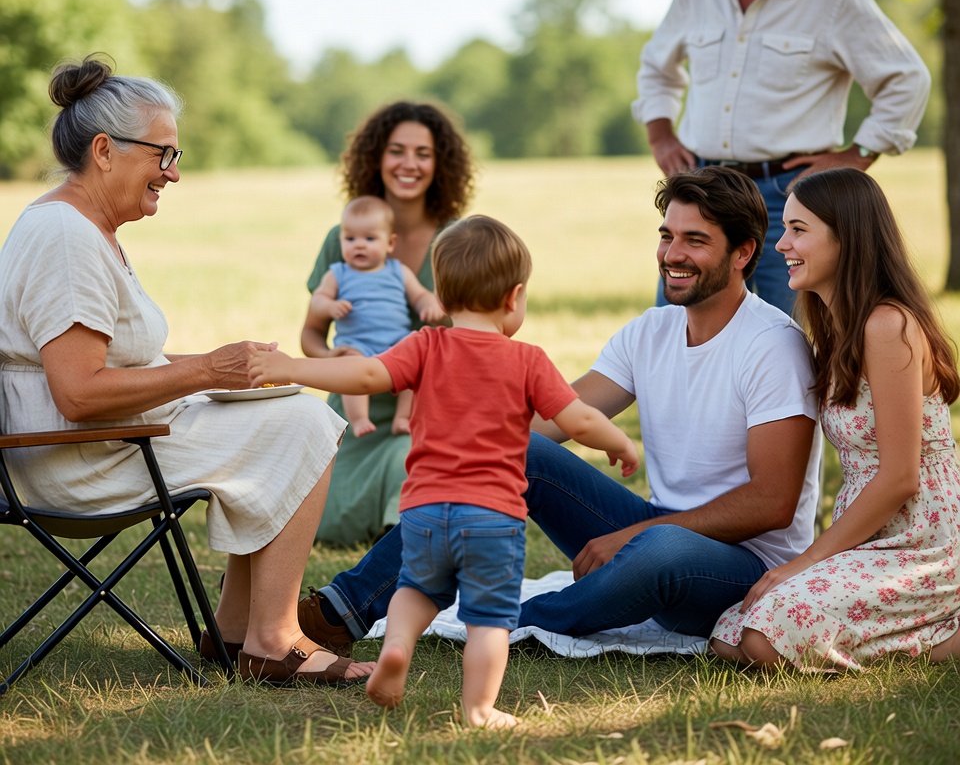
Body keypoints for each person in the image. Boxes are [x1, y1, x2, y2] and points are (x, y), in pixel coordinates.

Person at [291, 166, 822, 657]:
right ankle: (340, 610)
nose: (672, 254)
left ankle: (501, 621)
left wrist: (630, 539)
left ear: (743, 253)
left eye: (695, 240)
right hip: (657, 528)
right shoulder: (650, 332)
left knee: (660, 549)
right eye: (667, 235)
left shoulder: (771, 346)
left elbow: (771, 503)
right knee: (514, 450)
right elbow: (553, 418)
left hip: (741, 568)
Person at [0, 55, 374, 687]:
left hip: (105, 445)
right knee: (307, 421)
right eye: (163, 155)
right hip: (74, 462)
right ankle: (273, 638)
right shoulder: (65, 237)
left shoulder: (81, 226)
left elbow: (112, 361)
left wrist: (228, 370)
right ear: (104, 150)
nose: (174, 173)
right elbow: (79, 392)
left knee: (283, 410)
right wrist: (204, 369)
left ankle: (234, 629)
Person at [251, 214, 639, 727]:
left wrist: (293, 367)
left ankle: (396, 649)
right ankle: (480, 708)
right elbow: (578, 418)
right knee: (489, 618)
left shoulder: (425, 345)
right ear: (513, 297)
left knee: (416, 590)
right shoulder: (527, 360)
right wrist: (619, 443)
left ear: (444, 293)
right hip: (492, 518)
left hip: (425, 511)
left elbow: (365, 373)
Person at [634, 0, 931, 314]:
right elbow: (656, 67)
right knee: (677, 333)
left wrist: (857, 154)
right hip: (701, 191)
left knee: (781, 342)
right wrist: (660, 133)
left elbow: (906, 78)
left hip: (787, 202)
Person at [710, 168, 960, 670]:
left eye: (799, 229)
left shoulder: (888, 326)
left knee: (764, 638)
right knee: (730, 635)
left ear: (848, 237)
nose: (781, 245)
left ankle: (946, 635)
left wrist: (804, 563)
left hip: (923, 539)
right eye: (785, 228)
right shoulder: (832, 327)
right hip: (870, 532)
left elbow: (900, 477)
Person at [302, 101, 474, 545]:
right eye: (397, 150)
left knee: (410, 460)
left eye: (423, 153)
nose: (409, 164)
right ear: (377, 158)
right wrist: (333, 358)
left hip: (421, 410)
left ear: (441, 164)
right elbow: (310, 338)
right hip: (353, 409)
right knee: (325, 523)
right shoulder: (344, 239)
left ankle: (401, 534)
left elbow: (476, 344)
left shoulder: (457, 242)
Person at [310, 195, 445, 437]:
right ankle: (359, 419)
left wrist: (429, 305)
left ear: (390, 243)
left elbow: (420, 295)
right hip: (357, 345)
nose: (359, 245)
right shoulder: (338, 274)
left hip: (396, 344)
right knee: (350, 365)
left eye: (370, 238)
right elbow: (318, 299)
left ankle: (403, 417)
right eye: (350, 239)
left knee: (417, 357)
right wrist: (329, 306)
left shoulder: (398, 271)